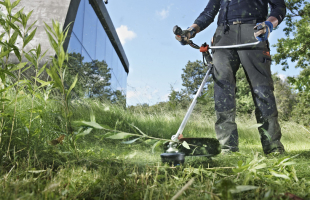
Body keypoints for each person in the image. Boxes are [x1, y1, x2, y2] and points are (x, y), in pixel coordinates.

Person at [175, 0, 286, 155]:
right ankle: (227, 148)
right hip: (224, 35)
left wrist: (269, 24)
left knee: (262, 91)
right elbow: (209, 12)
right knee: (222, 93)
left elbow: (279, 6)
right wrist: (190, 31)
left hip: (254, 32)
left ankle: (273, 147)